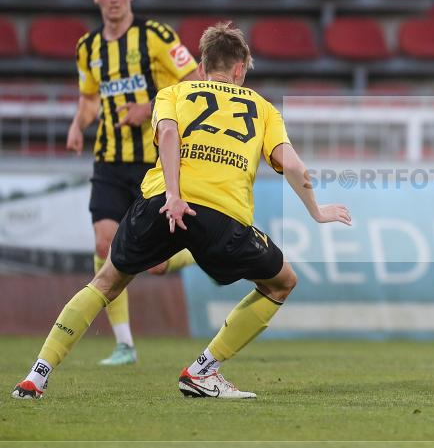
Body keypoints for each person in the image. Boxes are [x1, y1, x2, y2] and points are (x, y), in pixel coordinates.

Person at [12, 23, 351, 400]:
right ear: (240, 69)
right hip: (222, 220)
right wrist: (317, 210)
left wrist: (173, 196)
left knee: (105, 282)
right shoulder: (263, 109)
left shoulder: (173, 92)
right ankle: (203, 371)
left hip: (160, 204)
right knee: (282, 282)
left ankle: (36, 376)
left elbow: (169, 136)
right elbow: (295, 168)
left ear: (203, 67)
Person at [68, 0, 199, 366]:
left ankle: (200, 248)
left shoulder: (156, 36)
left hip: (152, 164)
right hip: (108, 160)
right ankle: (124, 343)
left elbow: (195, 80)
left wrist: (150, 106)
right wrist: (77, 125)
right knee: (104, 244)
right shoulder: (87, 48)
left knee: (157, 265)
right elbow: (91, 98)